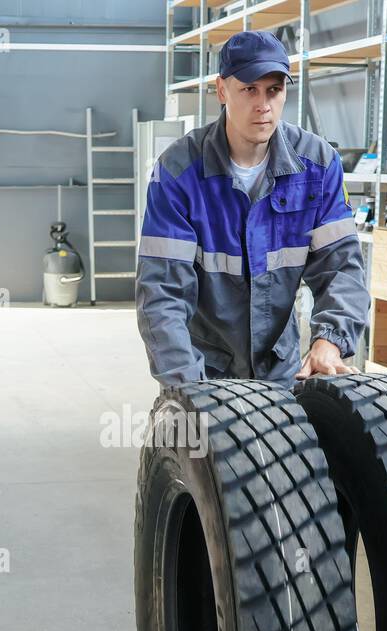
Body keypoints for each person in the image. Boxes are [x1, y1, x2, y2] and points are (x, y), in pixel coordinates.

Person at [136, 30, 370, 387]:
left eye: (273, 90)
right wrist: (186, 387)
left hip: (282, 368)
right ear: (221, 90)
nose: (264, 105)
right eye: (250, 89)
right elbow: (162, 293)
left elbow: (342, 268)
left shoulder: (318, 166)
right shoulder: (179, 172)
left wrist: (330, 340)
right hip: (204, 369)